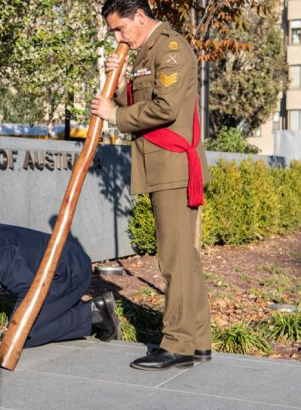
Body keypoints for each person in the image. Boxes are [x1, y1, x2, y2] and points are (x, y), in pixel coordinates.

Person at [91, 0, 212, 370]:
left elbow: (166, 108)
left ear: (139, 17)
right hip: (160, 166)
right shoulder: (146, 53)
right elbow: (138, 99)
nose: (117, 36)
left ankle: (177, 345)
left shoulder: (170, 47)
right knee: (185, 260)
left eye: (119, 28)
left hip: (173, 165)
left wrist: (116, 114)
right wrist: (119, 76)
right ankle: (199, 340)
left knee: (174, 261)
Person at [0, 223, 121, 360]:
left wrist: (6, 337)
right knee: (21, 330)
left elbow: (27, 291)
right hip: (51, 274)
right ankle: (76, 309)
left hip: (68, 273)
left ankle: (93, 314)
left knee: (22, 336)